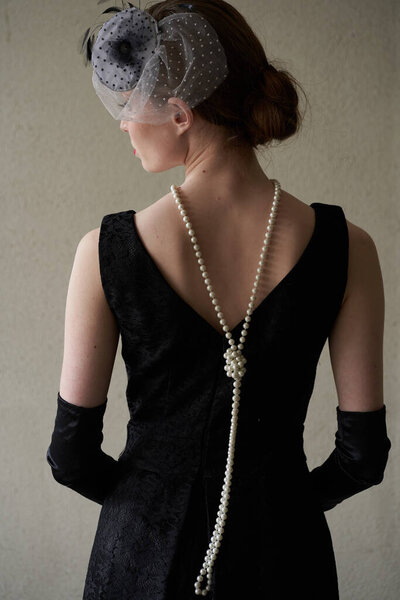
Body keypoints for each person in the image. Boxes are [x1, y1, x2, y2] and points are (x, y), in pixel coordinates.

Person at [46, 1, 391, 598]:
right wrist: (272, 509)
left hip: (141, 562)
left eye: (132, 104)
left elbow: (70, 457)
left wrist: (151, 503)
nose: (125, 124)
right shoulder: (350, 248)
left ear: (179, 112)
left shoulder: (104, 251)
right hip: (288, 562)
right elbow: (363, 456)